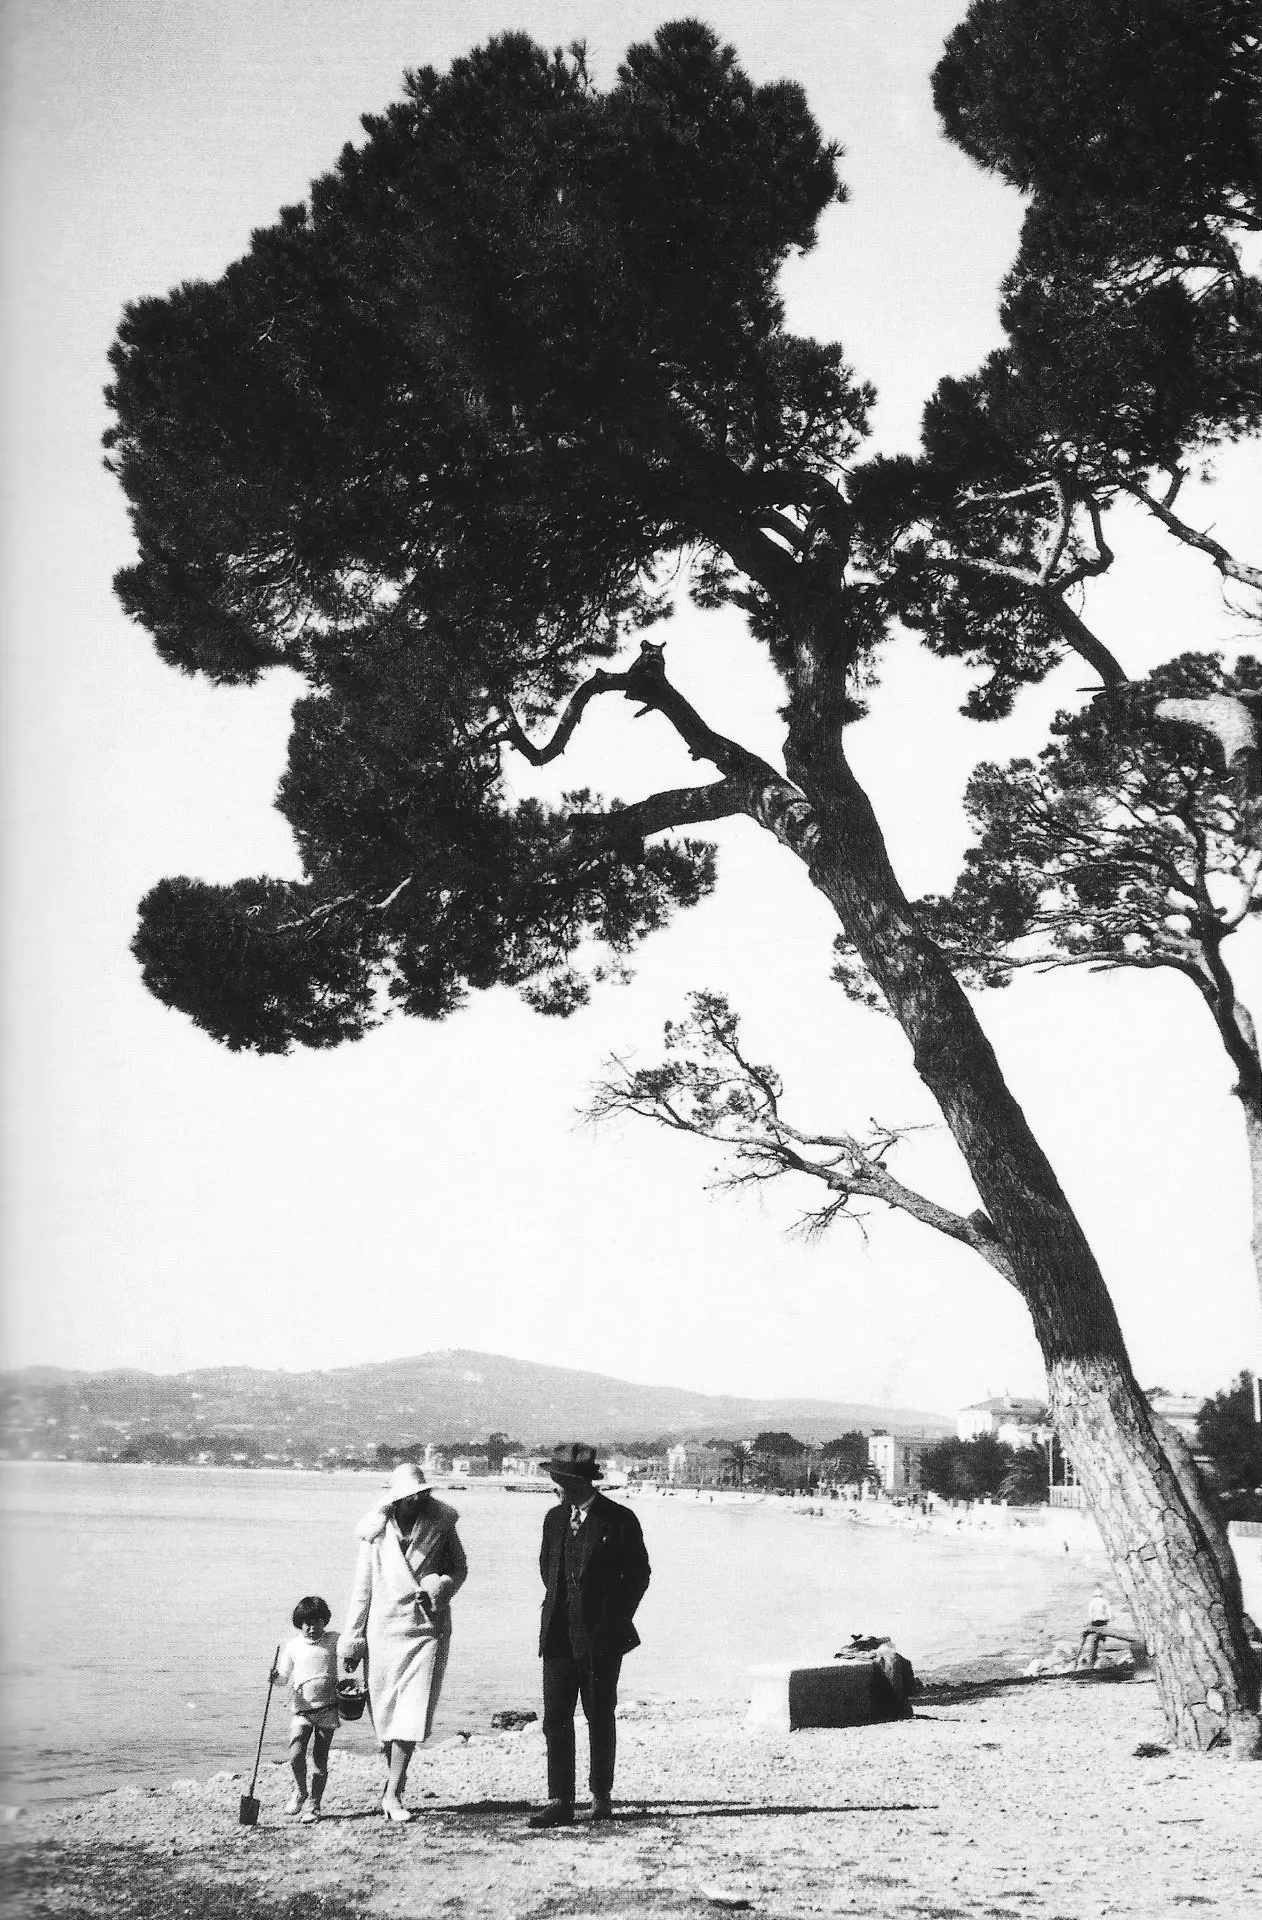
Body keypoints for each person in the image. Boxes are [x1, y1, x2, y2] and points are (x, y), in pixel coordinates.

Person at [529, 1442, 651, 1830]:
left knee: (599, 1716)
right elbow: (548, 1569)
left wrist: (611, 1621)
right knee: (555, 1720)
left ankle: (601, 1796)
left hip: (601, 1638)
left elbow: (638, 1576)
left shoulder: (619, 1520)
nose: (555, 1488)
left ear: (579, 1482)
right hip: (558, 1635)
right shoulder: (553, 1518)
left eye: (560, 1481)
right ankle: (559, 1800)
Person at [340, 1462, 468, 1822]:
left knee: (411, 1712)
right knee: (385, 1714)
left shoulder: (442, 1525)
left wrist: (442, 1588)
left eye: (421, 1495)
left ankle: (394, 1792)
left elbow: (460, 1568)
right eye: (410, 1497)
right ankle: (396, 1778)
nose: (416, 1502)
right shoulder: (376, 1533)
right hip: (383, 1630)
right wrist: (351, 1637)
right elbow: (362, 1588)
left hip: (427, 1628)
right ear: (396, 1498)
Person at [272, 1594, 340, 1823]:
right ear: (299, 1624)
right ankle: (301, 1792)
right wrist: (274, 1678)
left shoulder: (333, 1640)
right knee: (296, 1755)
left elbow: (353, 1648)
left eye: (317, 1622)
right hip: (302, 1709)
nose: (312, 1628)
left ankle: (315, 1805)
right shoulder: (293, 1646)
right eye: (307, 1623)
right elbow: (283, 1678)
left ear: (325, 1621)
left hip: (328, 1709)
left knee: (320, 1761)